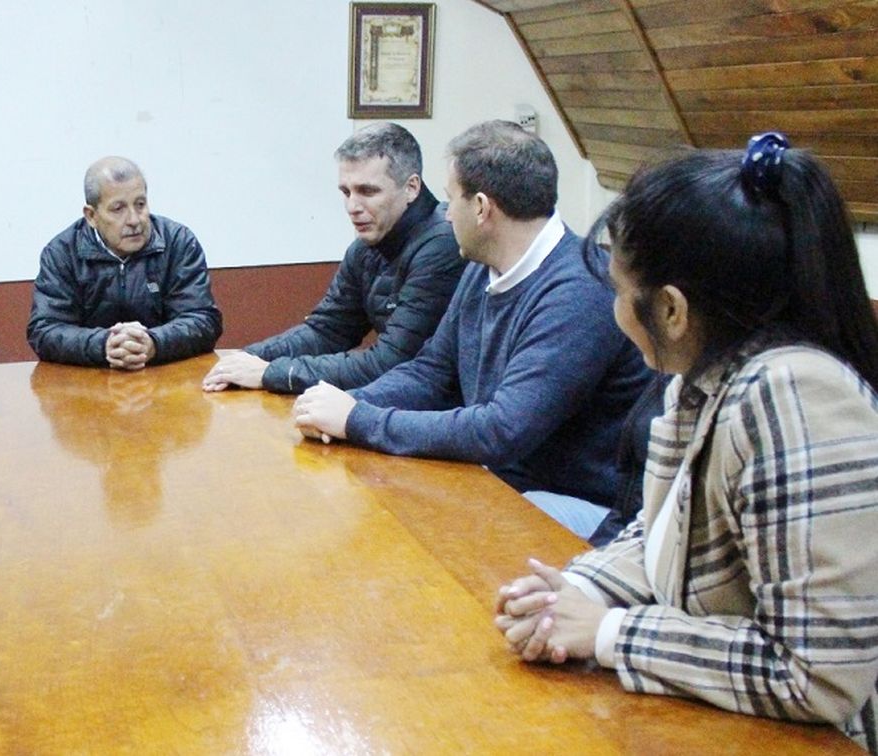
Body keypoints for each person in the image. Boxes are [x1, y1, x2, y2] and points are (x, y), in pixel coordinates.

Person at [493, 136, 878, 751]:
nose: (615, 310)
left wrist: (611, 632)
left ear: (671, 308)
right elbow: (661, 529)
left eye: (620, 292)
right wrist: (575, 593)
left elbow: (818, 677)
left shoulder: (792, 395)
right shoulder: (702, 374)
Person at [293, 121, 653, 537]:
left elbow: (501, 431)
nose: (445, 214)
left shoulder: (577, 292)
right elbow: (430, 371)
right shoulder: (482, 268)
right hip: (504, 477)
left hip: (581, 503)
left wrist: (358, 420)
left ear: (481, 208)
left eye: (451, 200)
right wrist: (342, 405)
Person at [203, 123, 463, 394]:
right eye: (346, 192)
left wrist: (272, 372)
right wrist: (247, 358)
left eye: (368, 191)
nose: (353, 207)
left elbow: (391, 363)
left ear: (411, 187)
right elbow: (327, 330)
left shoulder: (442, 244)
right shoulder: (366, 247)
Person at [27, 156, 223, 369]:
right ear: (91, 216)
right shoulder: (62, 253)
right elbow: (45, 331)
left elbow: (203, 320)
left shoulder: (178, 242)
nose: (134, 220)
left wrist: (153, 343)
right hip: (90, 382)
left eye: (140, 204)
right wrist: (104, 345)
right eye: (118, 209)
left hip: (166, 375)